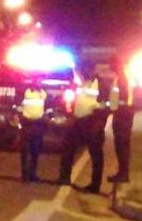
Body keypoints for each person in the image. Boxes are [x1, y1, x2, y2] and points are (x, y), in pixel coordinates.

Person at [57, 73, 106, 192]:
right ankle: (64, 178)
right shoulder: (81, 83)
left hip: (92, 120)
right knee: (67, 146)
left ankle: (95, 185)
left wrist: (99, 119)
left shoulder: (99, 84)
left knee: (96, 154)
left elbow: (107, 103)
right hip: (78, 120)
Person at [103, 54, 135, 184]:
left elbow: (118, 100)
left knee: (122, 145)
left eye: (112, 64)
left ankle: (123, 174)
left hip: (123, 115)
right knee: (122, 145)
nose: (110, 67)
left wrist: (107, 107)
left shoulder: (122, 78)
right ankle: (122, 173)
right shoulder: (122, 77)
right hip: (124, 113)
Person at [18, 85, 47, 183]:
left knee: (35, 150)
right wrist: (18, 115)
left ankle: (32, 174)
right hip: (27, 124)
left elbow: (47, 104)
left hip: (37, 124)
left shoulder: (42, 93)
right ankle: (25, 175)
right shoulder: (25, 91)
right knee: (25, 151)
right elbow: (18, 103)